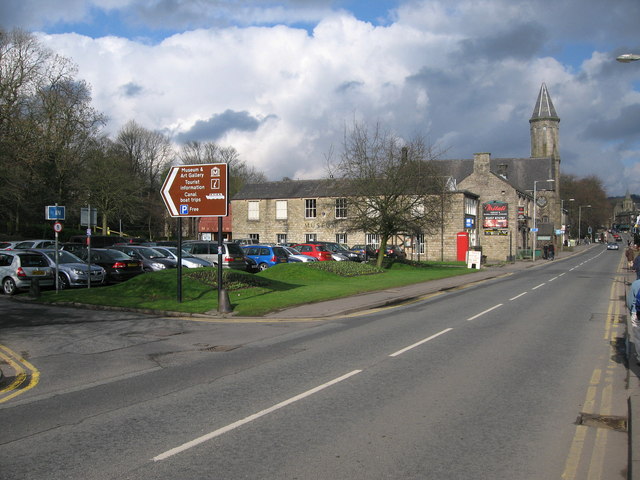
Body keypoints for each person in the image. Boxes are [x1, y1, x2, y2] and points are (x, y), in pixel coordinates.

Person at [628, 279, 640, 365]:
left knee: (638, 338)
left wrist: (632, 311)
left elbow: (629, 302)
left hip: (637, 313)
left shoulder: (636, 284)